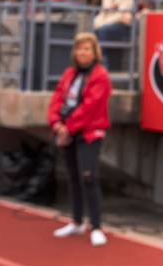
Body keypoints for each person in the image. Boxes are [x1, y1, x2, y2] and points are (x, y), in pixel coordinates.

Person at [47, 32, 112, 247]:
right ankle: (76, 221)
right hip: (68, 131)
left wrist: (68, 128)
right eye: (79, 48)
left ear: (94, 52)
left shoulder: (101, 75)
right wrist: (56, 123)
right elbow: (57, 99)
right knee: (73, 177)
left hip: (89, 133)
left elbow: (90, 108)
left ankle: (96, 226)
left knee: (88, 177)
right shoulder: (69, 73)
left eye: (87, 48)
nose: (83, 52)